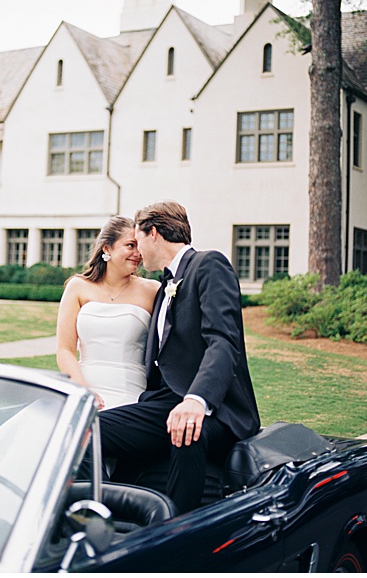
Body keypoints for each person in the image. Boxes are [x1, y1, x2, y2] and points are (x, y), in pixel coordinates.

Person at [95, 201, 260, 514]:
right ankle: (101, 518)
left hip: (217, 410)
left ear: (153, 233)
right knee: (89, 431)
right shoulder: (163, 286)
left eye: (138, 239)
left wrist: (197, 400)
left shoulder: (208, 265)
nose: (137, 251)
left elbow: (223, 341)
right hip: (163, 403)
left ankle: (177, 534)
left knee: (187, 432)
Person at [56, 216, 158, 409]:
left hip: (130, 393)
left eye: (139, 246)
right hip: (84, 387)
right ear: (106, 248)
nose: (138, 253)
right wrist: (84, 392)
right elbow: (64, 350)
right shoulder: (77, 287)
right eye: (130, 245)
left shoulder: (152, 290)